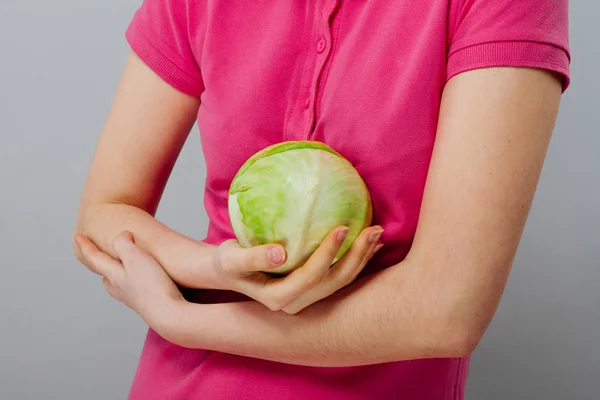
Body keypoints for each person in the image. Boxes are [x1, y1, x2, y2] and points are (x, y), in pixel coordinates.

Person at [72, 0, 571, 399]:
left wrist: (183, 320)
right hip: (179, 384)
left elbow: (447, 312)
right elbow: (104, 212)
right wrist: (219, 269)